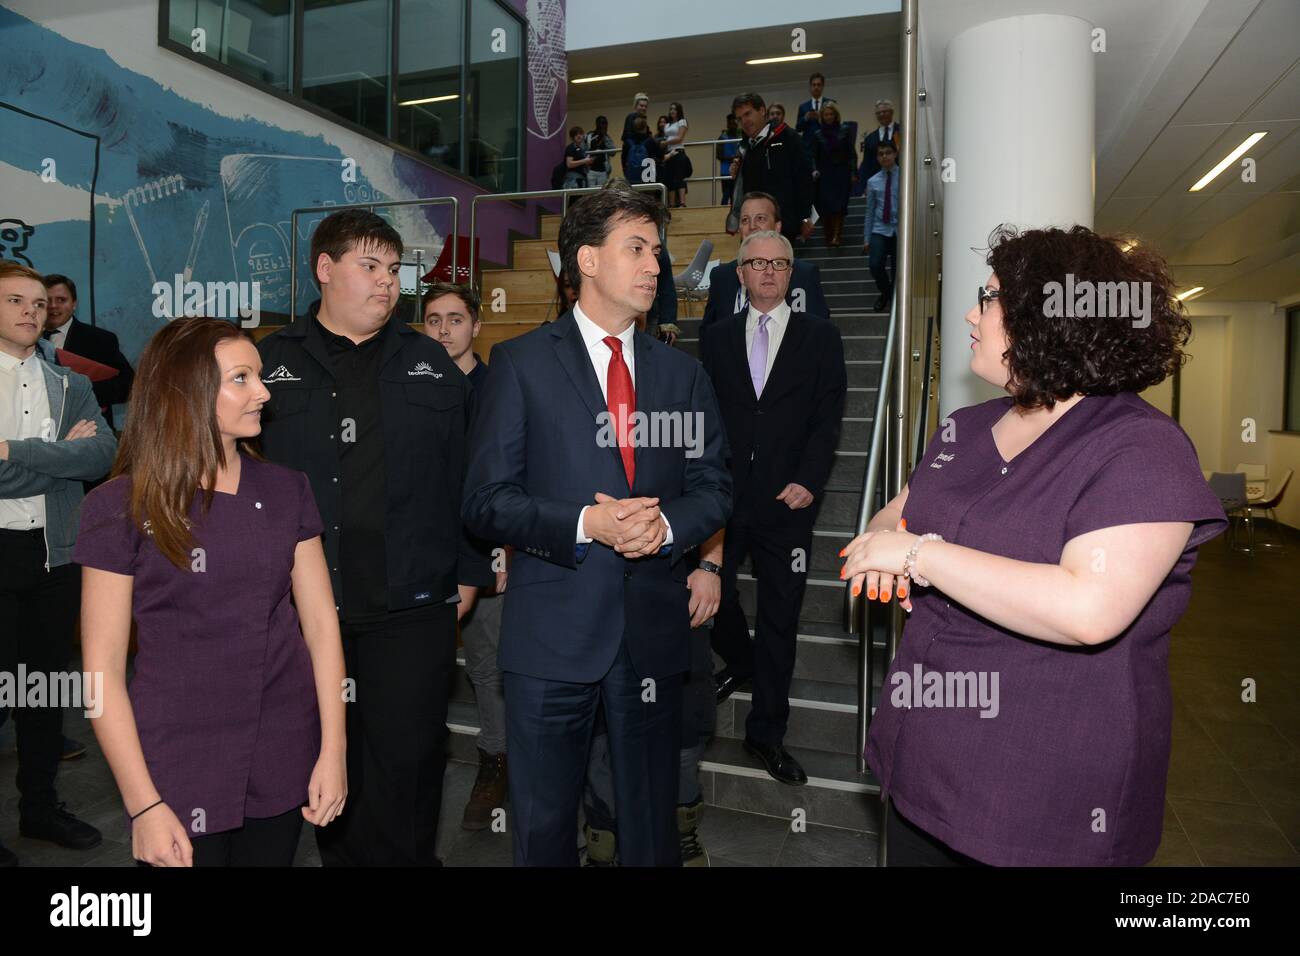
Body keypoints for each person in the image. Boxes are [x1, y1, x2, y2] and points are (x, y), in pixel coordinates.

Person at [842, 225, 1228, 866]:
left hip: (1044, 792)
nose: (971, 312)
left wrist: (919, 559)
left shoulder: (1141, 448)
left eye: (989, 298)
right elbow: (898, 515)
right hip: (926, 761)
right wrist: (883, 547)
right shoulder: (965, 428)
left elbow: (1089, 610)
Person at [463, 183, 732, 867]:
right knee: (544, 828)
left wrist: (666, 529)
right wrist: (589, 522)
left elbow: (714, 487)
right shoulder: (520, 365)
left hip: (651, 634)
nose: (654, 266)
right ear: (586, 259)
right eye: (635, 248)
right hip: (551, 638)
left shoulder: (682, 374)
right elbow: (486, 501)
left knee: (649, 828)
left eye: (658, 251)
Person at [255, 209, 492, 866]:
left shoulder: (428, 363)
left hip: (410, 604)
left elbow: (467, 474)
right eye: (370, 267)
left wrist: (471, 568)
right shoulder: (270, 363)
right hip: (301, 608)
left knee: (409, 757)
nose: (387, 284)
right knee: (329, 759)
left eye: (394, 270)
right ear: (325, 269)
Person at [75, 318, 347, 867]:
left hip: (282, 742)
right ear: (187, 391)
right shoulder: (117, 508)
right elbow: (101, 670)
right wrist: (143, 804)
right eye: (242, 378)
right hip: (175, 754)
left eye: (260, 376)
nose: (264, 392)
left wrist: (333, 751)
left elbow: (320, 629)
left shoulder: (287, 490)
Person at [701, 230, 846, 786]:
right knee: (714, 595)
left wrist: (810, 479)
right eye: (756, 263)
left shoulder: (821, 338)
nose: (767, 272)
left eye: (779, 264)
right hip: (724, 497)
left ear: (792, 274)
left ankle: (766, 734)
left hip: (788, 502)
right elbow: (705, 415)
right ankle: (739, 660)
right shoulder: (714, 339)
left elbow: (827, 417)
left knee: (781, 621)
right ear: (739, 274)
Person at [0, 260, 116, 868]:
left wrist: (14, 452)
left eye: (39, 303)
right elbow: (68, 461)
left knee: (44, 691)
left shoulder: (70, 384)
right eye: (16, 300)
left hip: (53, 552)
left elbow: (101, 454)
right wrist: (56, 457)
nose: (30, 311)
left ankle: (40, 809)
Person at [420, 282, 509, 830]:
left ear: (477, 326)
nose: (444, 329)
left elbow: (513, 473)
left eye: (455, 319)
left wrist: (504, 548)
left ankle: (496, 761)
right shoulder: (410, 385)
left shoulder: (498, 387)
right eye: (433, 320)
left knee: (487, 662)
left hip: (484, 547)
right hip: (422, 551)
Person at [702, 191, 830, 343]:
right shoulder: (721, 276)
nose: (752, 226)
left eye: (760, 219)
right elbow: (708, 334)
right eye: (744, 220)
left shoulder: (804, 274)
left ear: (777, 227)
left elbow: (821, 335)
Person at [41, 274, 134, 429]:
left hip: (89, 433)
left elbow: (127, 385)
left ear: (74, 304)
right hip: (39, 434)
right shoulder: (24, 338)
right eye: (46, 301)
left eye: (61, 300)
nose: (53, 306)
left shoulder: (100, 339)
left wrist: (80, 392)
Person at [726, 92, 814, 244]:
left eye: (748, 114)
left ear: (762, 110)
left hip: (782, 225)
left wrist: (806, 217)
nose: (744, 121)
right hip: (751, 228)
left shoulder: (788, 138)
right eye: (740, 119)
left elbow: (804, 180)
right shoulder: (744, 147)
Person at [808, 103, 857, 247]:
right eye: (826, 114)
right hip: (824, 175)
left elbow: (851, 154)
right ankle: (828, 234)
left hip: (842, 173)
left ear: (836, 115)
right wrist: (814, 169)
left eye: (831, 114)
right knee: (826, 207)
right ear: (822, 117)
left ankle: (837, 236)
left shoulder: (845, 130)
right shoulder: (817, 134)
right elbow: (813, 156)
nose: (829, 117)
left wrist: (854, 172)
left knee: (839, 207)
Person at [863, 141, 900, 311]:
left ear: (895, 154)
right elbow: (870, 211)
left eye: (888, 152)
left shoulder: (906, 177)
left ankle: (895, 300)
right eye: (881, 154)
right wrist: (866, 238)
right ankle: (886, 293)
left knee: (897, 269)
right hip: (880, 228)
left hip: (900, 229)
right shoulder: (873, 181)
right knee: (875, 264)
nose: (884, 156)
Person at [859, 99, 902, 186]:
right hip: (877, 184)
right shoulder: (869, 139)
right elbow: (866, 164)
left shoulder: (903, 132)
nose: (882, 115)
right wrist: (865, 185)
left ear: (891, 112)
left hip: (900, 181)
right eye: (878, 113)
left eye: (885, 112)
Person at [661, 102, 691, 208]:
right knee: (669, 179)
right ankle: (672, 204)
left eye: (674, 109)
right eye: (671, 109)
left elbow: (679, 138)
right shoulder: (667, 124)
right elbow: (665, 137)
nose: (672, 111)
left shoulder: (682, 121)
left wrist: (665, 143)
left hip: (678, 151)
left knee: (679, 177)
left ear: (678, 111)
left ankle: (682, 203)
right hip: (669, 153)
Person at [621, 115, 663, 187]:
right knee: (649, 197)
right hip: (649, 178)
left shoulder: (627, 142)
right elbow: (660, 157)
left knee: (634, 197)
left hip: (631, 178)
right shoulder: (650, 141)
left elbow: (623, 160)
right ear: (645, 127)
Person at [796, 72, 836, 142]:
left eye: (818, 85)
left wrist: (821, 118)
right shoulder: (803, 107)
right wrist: (806, 118)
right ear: (810, 87)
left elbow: (836, 125)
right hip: (808, 146)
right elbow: (798, 128)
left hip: (826, 143)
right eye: (813, 85)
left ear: (823, 86)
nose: (816, 87)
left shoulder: (830, 103)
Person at [584, 116, 616, 189]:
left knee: (602, 193)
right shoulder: (589, 136)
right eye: (602, 123)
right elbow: (583, 150)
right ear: (597, 124)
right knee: (590, 194)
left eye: (605, 123)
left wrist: (604, 137)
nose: (604, 125)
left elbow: (613, 152)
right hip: (590, 170)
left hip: (603, 171)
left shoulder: (607, 137)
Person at [716, 113, 741, 207]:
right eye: (730, 123)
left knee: (736, 195)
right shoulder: (722, 137)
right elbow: (719, 155)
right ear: (727, 124)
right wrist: (732, 158)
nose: (732, 125)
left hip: (738, 170)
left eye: (734, 123)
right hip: (726, 171)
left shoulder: (740, 136)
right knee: (726, 194)